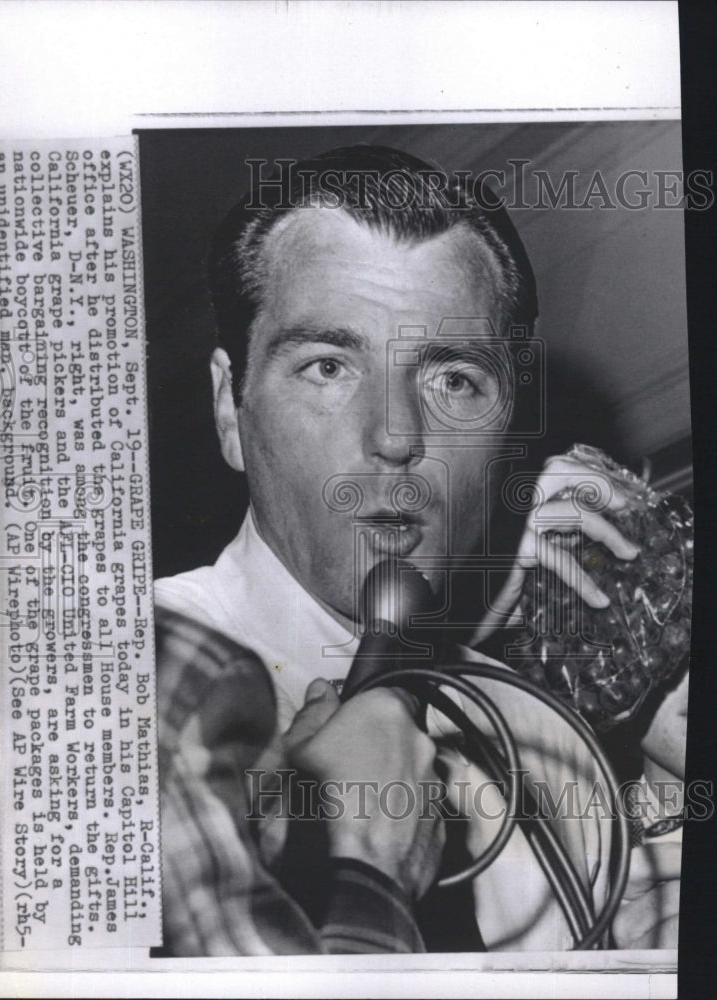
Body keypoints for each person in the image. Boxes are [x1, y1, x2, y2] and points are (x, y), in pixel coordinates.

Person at [154, 145, 651, 954]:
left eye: (453, 379)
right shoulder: (119, 691)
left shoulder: (544, 735)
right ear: (227, 411)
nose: (395, 436)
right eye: (327, 367)